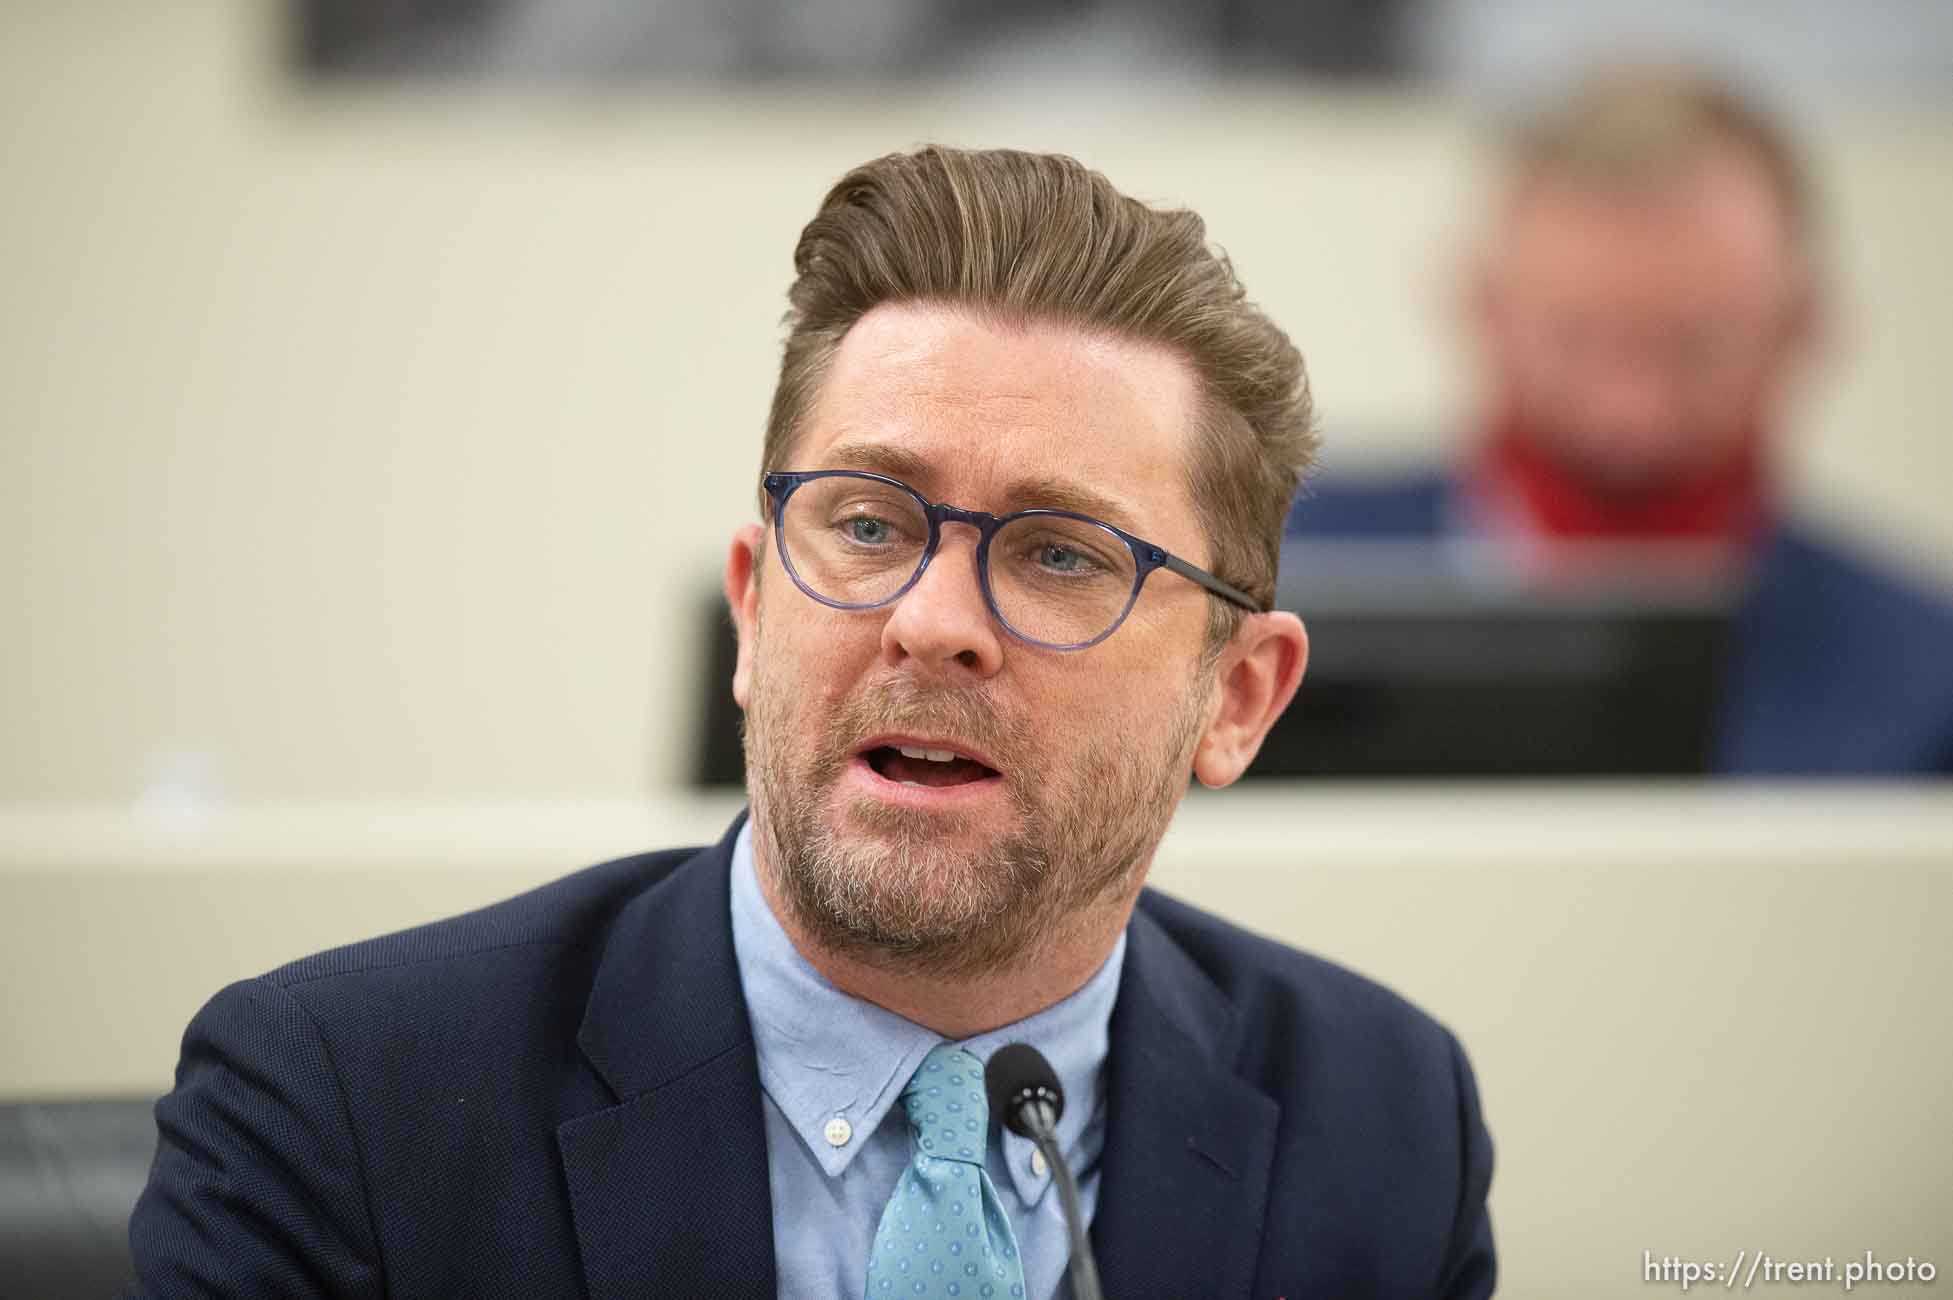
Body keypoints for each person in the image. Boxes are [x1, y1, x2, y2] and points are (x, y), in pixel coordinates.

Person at [124, 147, 1496, 1298]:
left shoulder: (1378, 1124)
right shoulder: (346, 1110)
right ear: (751, 607)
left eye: (1062, 555)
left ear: (1237, 698)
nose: (933, 621)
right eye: (865, 523)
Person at [1288, 66, 1953, 774]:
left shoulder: (1923, 677)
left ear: (1799, 329)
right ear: (1481, 308)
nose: (1630, 412)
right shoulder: (1267, 595)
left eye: (1694, 349)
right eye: (1576, 340)